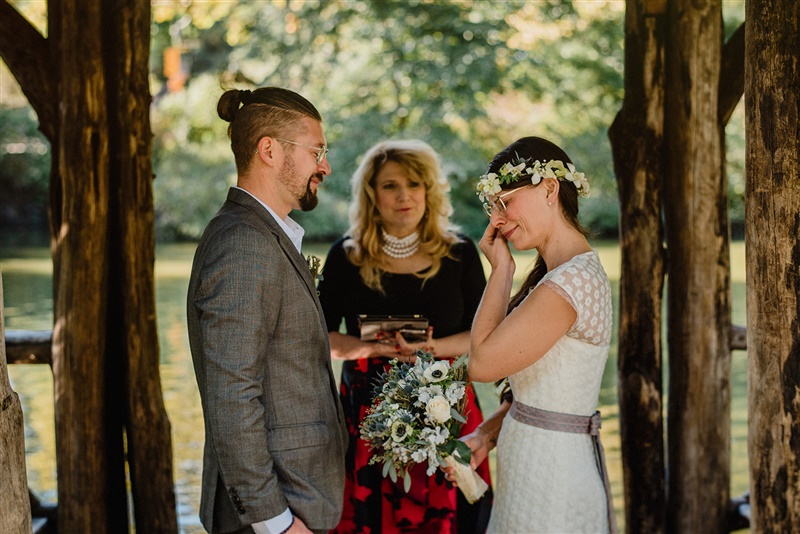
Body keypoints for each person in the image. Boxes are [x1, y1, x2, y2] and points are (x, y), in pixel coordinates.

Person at [186, 87, 348, 534]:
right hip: (275, 513)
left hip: (299, 497)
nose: (325, 166)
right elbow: (232, 394)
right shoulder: (243, 245)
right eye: (317, 150)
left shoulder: (264, 236)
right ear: (270, 150)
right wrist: (274, 522)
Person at [317, 139, 492, 533]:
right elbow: (322, 336)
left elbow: (483, 336)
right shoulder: (345, 256)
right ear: (371, 194)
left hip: (446, 406)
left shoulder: (460, 252)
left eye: (414, 184)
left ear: (429, 191)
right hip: (367, 413)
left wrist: (431, 349)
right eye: (390, 185)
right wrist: (368, 347)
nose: (404, 196)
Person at [454, 136, 616, 533]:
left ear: (548, 189)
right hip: (528, 465)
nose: (497, 220)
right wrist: (487, 433)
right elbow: (542, 393)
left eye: (505, 203)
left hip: (553, 477)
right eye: (492, 207)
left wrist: (501, 271)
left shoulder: (572, 282)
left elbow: (483, 364)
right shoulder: (556, 276)